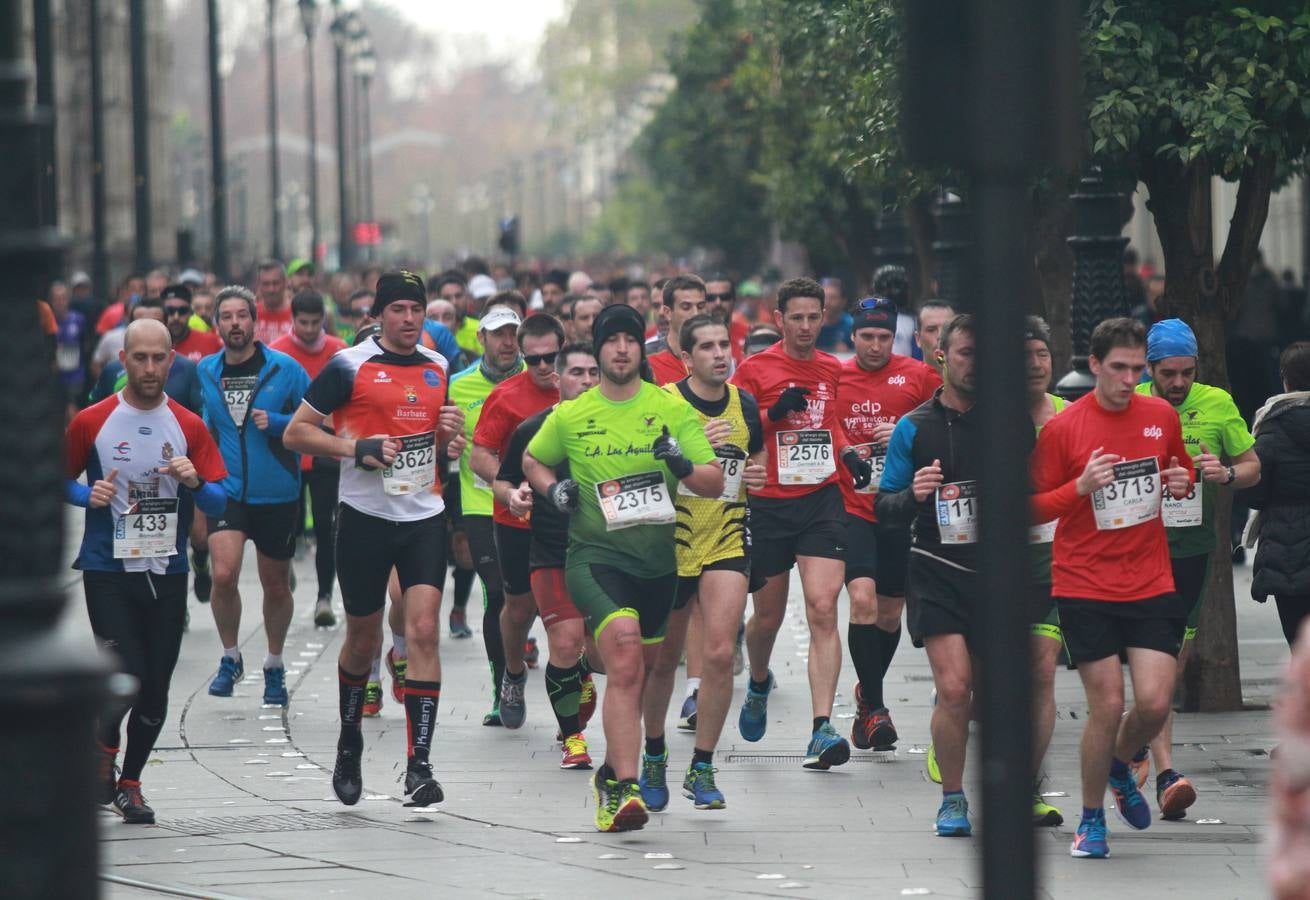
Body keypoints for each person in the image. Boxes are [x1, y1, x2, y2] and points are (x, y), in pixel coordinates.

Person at [522, 303, 722, 832]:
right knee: (626, 656)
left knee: (650, 669)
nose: (621, 349)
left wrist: (680, 463)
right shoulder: (571, 414)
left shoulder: (671, 407)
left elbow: (713, 481)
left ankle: (611, 773)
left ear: (641, 347)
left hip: (658, 563)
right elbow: (533, 459)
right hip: (594, 557)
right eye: (611, 340)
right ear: (600, 347)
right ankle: (625, 790)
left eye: (630, 340)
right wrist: (553, 488)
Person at [284, 270, 465, 808]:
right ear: (379, 316)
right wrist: (355, 448)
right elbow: (296, 432)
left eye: (417, 310)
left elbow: (433, 442)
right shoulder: (348, 365)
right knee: (362, 640)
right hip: (364, 516)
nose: (410, 320)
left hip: (424, 515)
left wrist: (447, 435)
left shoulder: (439, 366)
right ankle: (348, 744)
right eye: (399, 310)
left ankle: (420, 766)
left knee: (424, 630)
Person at [1028, 317, 1193, 860]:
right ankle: (1092, 818)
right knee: (1109, 704)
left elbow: (1180, 471)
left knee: (1153, 703)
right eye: (1117, 368)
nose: (1128, 379)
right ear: (1094, 365)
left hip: (1148, 577)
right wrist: (1079, 487)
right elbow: (1028, 505)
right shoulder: (1064, 428)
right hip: (1084, 581)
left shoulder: (1160, 414)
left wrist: (1180, 480)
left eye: (1135, 368)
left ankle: (1121, 765)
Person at [65, 319, 228, 824]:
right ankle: (102, 752)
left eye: (160, 359)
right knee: (127, 675)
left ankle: (129, 783)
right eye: (141, 358)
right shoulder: (92, 421)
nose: (151, 368)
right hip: (107, 569)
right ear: (124, 359)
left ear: (173, 359)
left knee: (156, 685)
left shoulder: (188, 425)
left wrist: (195, 480)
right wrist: (84, 494)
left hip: (167, 569)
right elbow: (55, 478)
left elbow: (220, 498)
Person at [730, 277, 872, 770]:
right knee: (766, 618)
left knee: (822, 607)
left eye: (815, 317)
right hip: (769, 503)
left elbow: (828, 423)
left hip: (821, 501)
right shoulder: (753, 369)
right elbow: (734, 431)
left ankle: (821, 727)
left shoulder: (833, 367)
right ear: (779, 319)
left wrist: (848, 453)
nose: (807, 326)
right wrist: (773, 414)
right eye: (798, 318)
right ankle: (759, 680)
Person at [1131, 318, 1260, 820]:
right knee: (1154, 659)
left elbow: (1252, 466)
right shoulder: (1131, 399)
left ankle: (1140, 744)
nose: (1179, 382)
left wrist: (1224, 473)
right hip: (1134, 551)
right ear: (1151, 368)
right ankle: (1165, 771)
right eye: (1168, 373)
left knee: (1171, 661)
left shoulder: (1217, 402)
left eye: (1186, 372)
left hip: (1191, 549)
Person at [640, 314, 767, 812]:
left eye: (724, 345)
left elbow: (755, 465)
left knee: (716, 655)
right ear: (687, 359)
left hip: (728, 537)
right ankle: (653, 753)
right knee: (663, 660)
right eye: (707, 348)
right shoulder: (664, 404)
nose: (720, 354)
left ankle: (703, 766)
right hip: (671, 540)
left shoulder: (745, 405)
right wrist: (693, 454)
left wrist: (754, 475)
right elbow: (644, 469)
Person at [875, 314, 991, 837]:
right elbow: (885, 507)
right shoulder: (914, 427)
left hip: (998, 573)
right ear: (943, 356)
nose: (977, 364)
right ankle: (952, 798)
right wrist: (916, 494)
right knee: (954, 687)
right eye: (966, 353)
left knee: (990, 693)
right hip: (937, 568)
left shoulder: (1010, 422)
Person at [197, 286, 311, 707]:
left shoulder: (286, 368)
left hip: (277, 491)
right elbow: (205, 425)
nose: (235, 324)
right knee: (223, 575)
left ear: (254, 320)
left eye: (241, 316)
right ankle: (230, 657)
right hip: (227, 490)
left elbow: (319, 421)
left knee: (275, 585)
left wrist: (279, 422)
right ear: (217, 324)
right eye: (226, 317)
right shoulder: (207, 371)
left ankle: (274, 665)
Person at [837, 299, 940, 753]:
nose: (876, 345)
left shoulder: (917, 376)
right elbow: (822, 424)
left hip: (900, 509)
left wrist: (901, 430)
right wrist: (849, 449)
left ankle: (866, 696)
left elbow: (942, 422)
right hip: (852, 507)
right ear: (853, 337)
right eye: (867, 337)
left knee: (888, 612)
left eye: (884, 337)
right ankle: (876, 707)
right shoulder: (836, 376)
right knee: (860, 601)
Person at [494, 343, 602, 768]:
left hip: (609, 554)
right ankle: (573, 739)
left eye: (594, 372)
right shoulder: (534, 430)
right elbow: (503, 483)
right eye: (577, 372)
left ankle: (580, 677)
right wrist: (517, 495)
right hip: (552, 553)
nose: (588, 380)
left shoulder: (620, 426)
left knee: (602, 653)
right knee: (566, 640)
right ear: (557, 380)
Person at [470, 313, 567, 728]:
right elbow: (479, 455)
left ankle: (572, 693)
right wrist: (510, 492)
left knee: (574, 608)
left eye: (552, 357)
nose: (544, 367)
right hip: (518, 520)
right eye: (534, 360)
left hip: (573, 520)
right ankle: (512, 673)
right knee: (519, 607)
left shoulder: (583, 392)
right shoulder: (506, 396)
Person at [449, 304, 526, 724]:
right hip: (481, 504)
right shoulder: (458, 385)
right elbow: (441, 441)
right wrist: (447, 447)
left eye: (513, 333)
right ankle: (504, 688)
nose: (507, 342)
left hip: (535, 503)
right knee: (497, 592)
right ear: (481, 338)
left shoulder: (539, 380)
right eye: (498, 334)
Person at [270, 291, 350, 627]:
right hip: (287, 451)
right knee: (289, 521)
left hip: (324, 451)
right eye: (302, 322)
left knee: (325, 523)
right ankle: (282, 563)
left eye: (315, 323)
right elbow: (271, 404)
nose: (308, 329)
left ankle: (324, 597)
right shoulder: (276, 353)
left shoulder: (339, 351)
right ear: (293, 319)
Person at [1023, 317, 1070, 827]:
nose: (1035, 365)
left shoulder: (1072, 416)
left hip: (1056, 566)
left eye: (1042, 353)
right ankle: (951, 722)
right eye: (1023, 355)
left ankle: (1027, 786)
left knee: (1039, 671)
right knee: (974, 687)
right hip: (992, 569)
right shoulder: (981, 417)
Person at [1246, 341, 1310, 647]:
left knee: (1299, 647)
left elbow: (1256, 492)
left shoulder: (1271, 426)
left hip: (1286, 548)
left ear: (1285, 377)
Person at [646, 275, 707, 385]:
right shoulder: (647, 357)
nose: (695, 314)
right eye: (686, 307)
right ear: (668, 312)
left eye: (700, 306)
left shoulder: (717, 353)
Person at [50, 280, 90, 416]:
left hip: (75, 377)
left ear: (68, 300)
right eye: (56, 299)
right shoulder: (47, 323)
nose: (60, 302)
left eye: (63, 298)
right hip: (54, 379)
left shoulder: (78, 320)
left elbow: (85, 344)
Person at [161, 283, 222, 362]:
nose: (176, 317)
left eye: (182, 311)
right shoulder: (150, 345)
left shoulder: (212, 342)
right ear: (162, 312)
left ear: (190, 313)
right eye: (170, 311)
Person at [253, 259, 294, 345]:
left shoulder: (297, 313)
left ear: (286, 283)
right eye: (266, 284)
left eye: (275, 283)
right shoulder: (251, 313)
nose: (271, 289)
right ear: (259, 285)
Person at [915, 300, 956, 376]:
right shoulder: (907, 385)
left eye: (947, 328)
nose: (940, 336)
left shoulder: (976, 384)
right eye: (931, 330)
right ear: (918, 339)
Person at [816, 278, 853, 353]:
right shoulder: (809, 325)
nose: (827, 302)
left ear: (843, 301)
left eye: (833, 297)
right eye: (824, 297)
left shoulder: (852, 325)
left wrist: (848, 353)